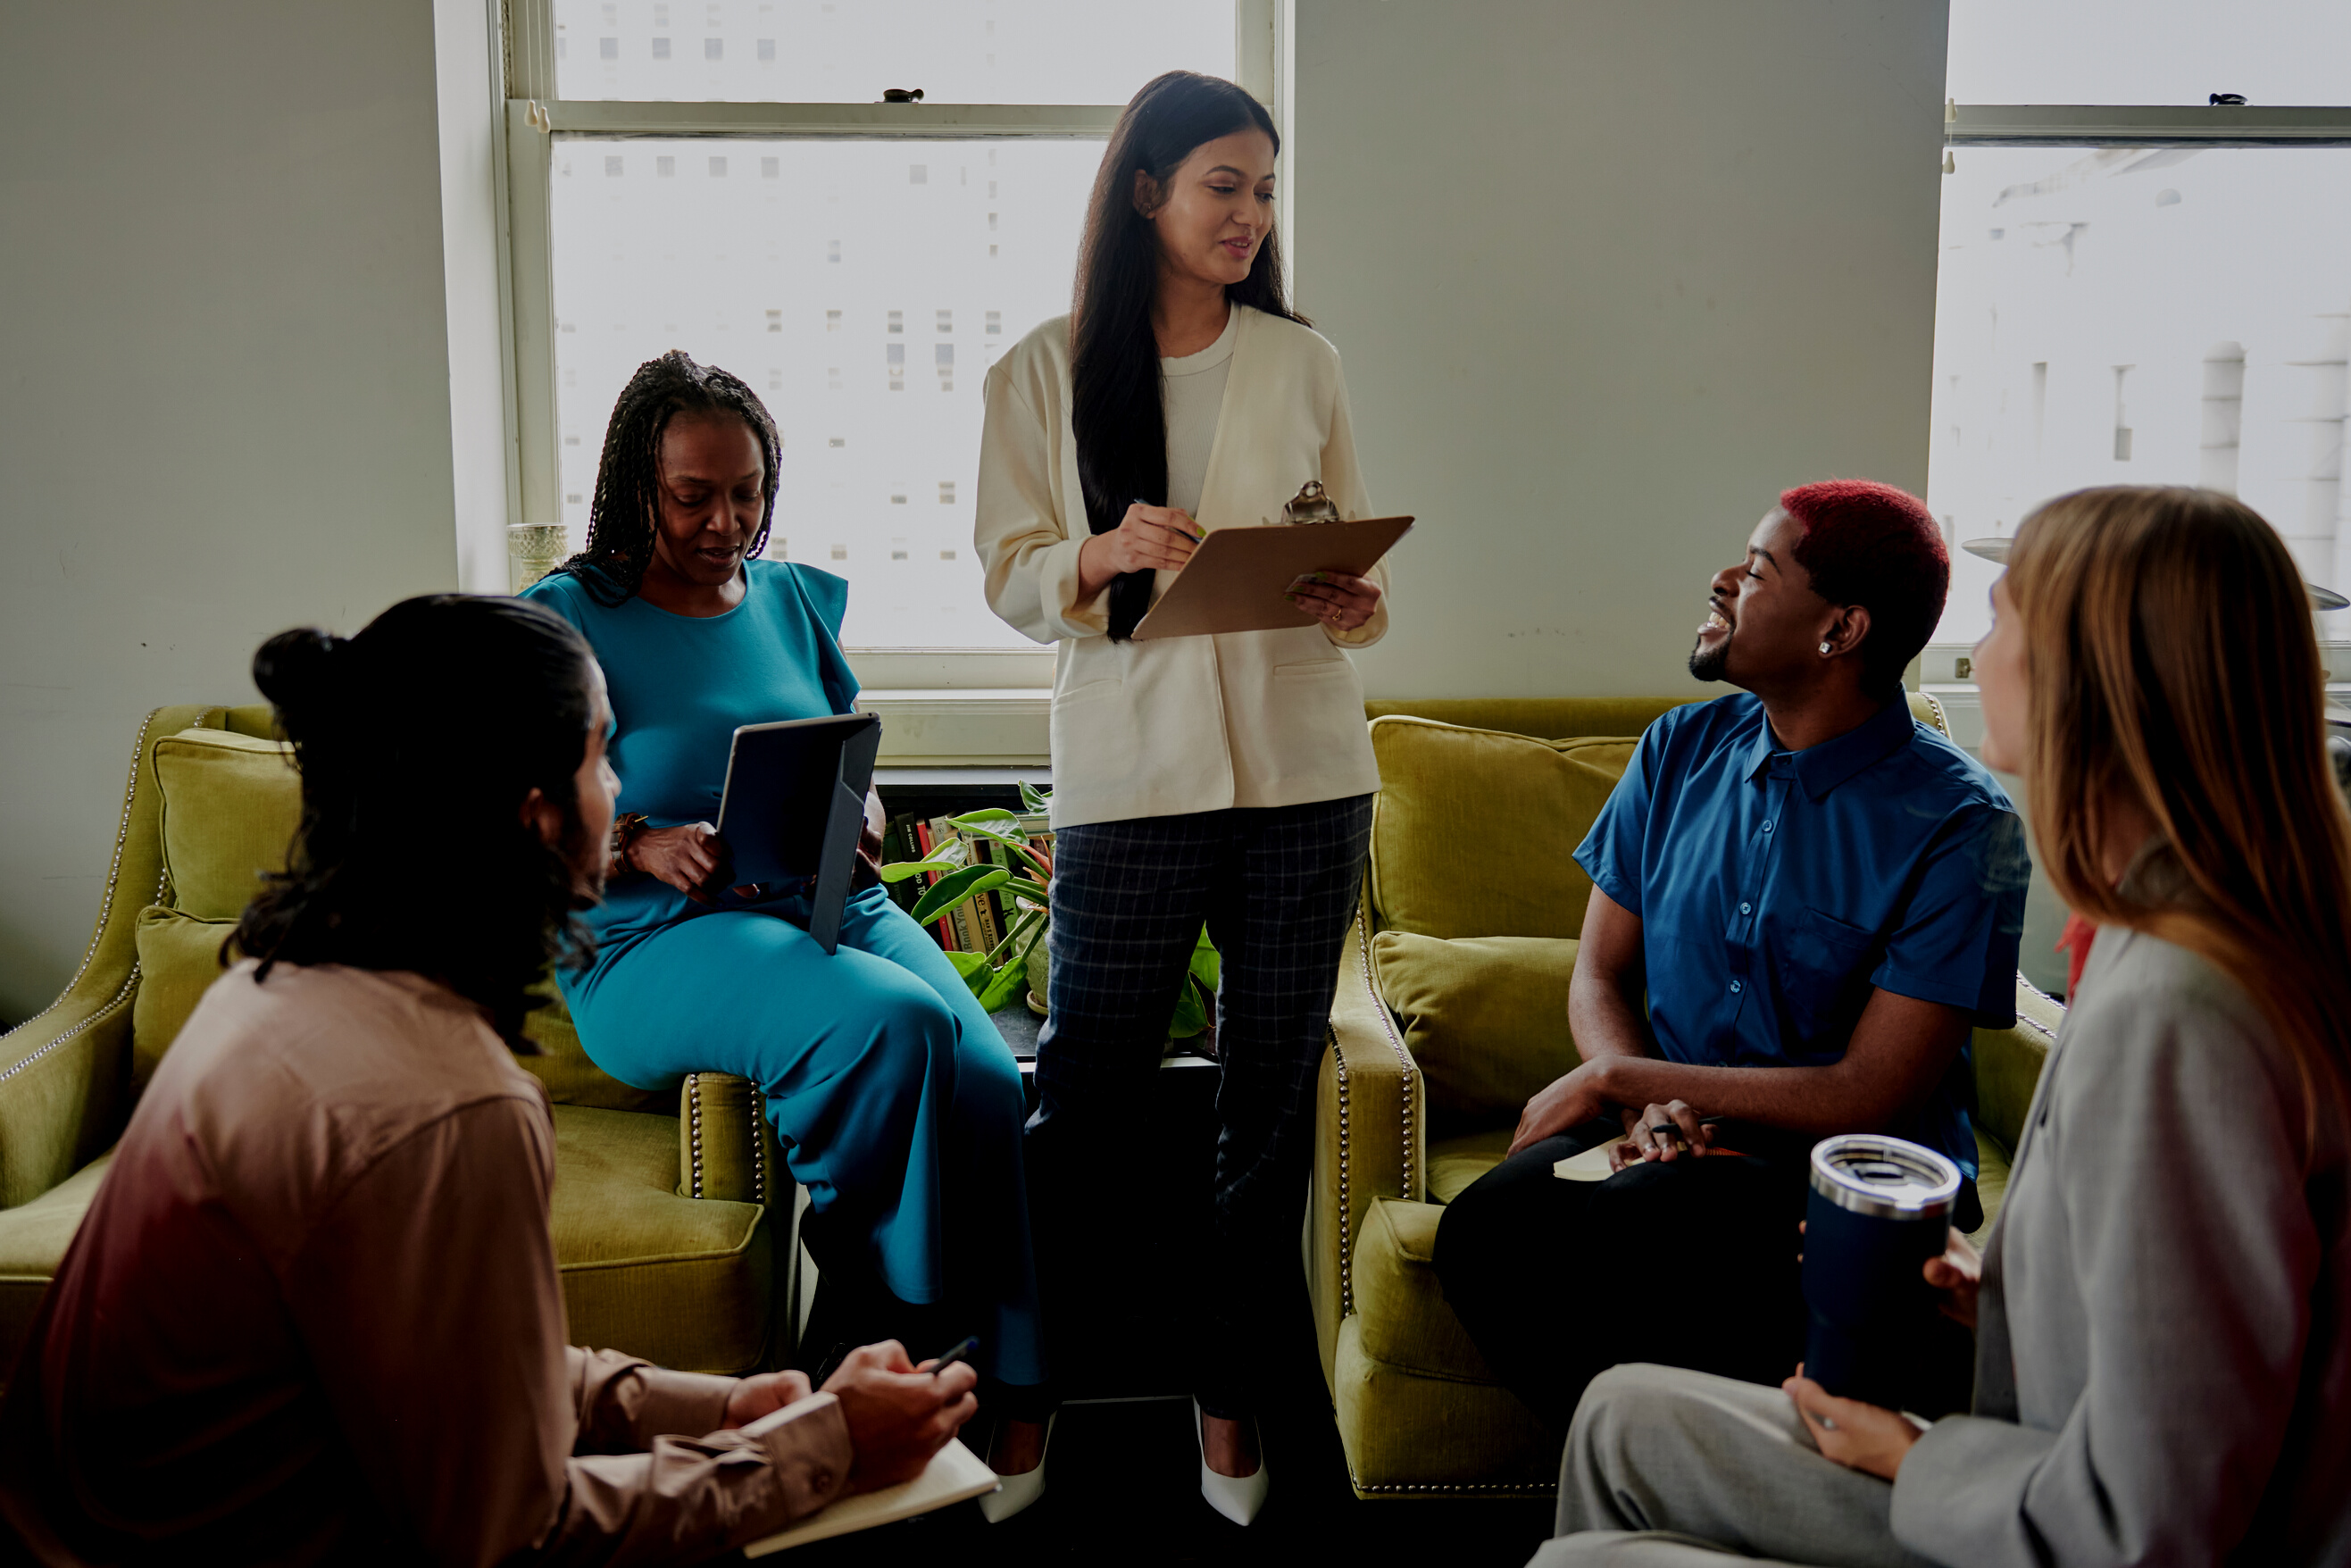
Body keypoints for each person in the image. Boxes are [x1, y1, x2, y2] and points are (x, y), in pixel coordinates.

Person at [0, 596, 977, 1565]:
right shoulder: (452, 1110)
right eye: (603, 755)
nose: (620, 784)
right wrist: (823, 1445)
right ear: (535, 817)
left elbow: (449, 1366)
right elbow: (510, 1532)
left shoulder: (278, 975)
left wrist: (721, 1405)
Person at [1535, 485, 2351, 1566]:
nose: (1974, 650)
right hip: (2042, 1464)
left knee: (1580, 1560)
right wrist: (2000, 1298)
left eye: (2004, 618)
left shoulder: (2176, 1015)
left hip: (2060, 1514)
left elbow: (2153, 1521)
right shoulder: (2149, 939)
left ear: (2099, 678)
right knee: (1616, 1416)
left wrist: (1912, 1458)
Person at [521, 351, 1050, 1514]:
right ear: (634, 487)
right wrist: (634, 843)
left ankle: (1015, 1387)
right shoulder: (565, 622)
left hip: (825, 901)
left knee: (989, 1085)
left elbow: (852, 752)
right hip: (655, 938)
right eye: (691, 495)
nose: (726, 521)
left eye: (747, 490)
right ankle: (894, 1342)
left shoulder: (794, 598)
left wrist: (858, 812)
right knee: (899, 1023)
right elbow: (512, 818)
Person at [973, 70, 1388, 1523]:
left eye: (1264, 189)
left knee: (1265, 1102)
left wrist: (1349, 595)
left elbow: (1351, 581)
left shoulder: (1303, 361)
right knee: (1081, 1098)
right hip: (1132, 773)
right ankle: (1026, 1386)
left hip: (1303, 769)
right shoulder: (1041, 366)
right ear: (1144, 191)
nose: (1249, 214)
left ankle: (1228, 1381)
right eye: (1223, 184)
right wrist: (1097, 554)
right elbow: (1012, 573)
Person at [1432, 480, 2027, 1431]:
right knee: (1487, 1230)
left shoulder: (1960, 824)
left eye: (1755, 571)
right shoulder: (1676, 748)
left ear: (1839, 630)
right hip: (1661, 1128)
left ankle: (1696, 1488)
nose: (1720, 581)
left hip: (1837, 1169)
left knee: (1642, 1229)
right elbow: (1599, 972)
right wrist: (1642, 1097)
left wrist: (1630, 1076)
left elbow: (1873, 1087)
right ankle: (1648, 1478)